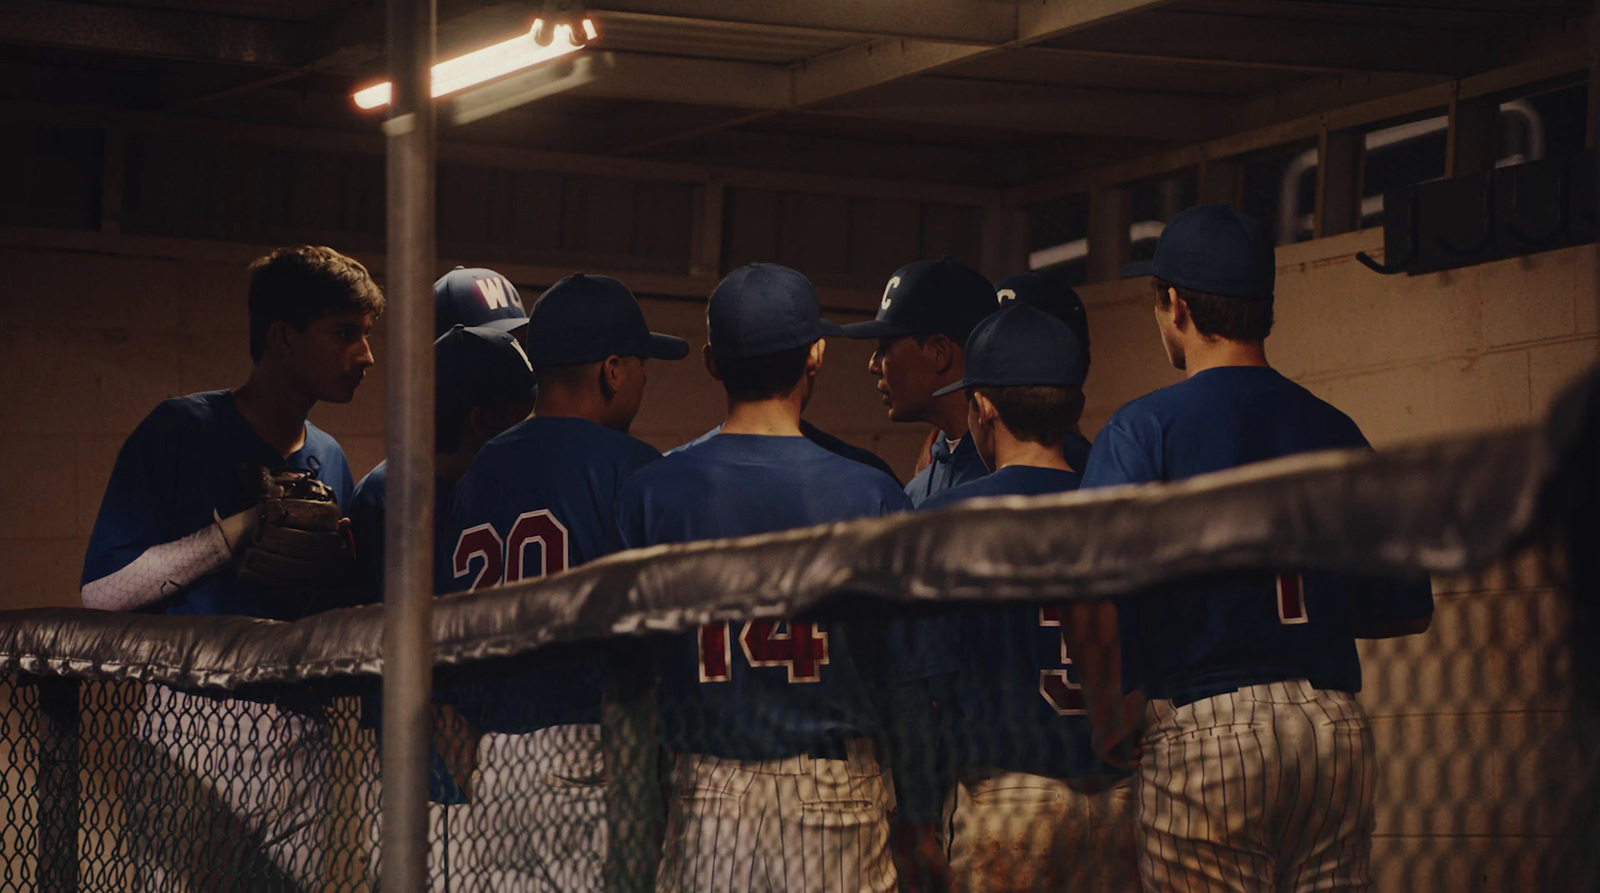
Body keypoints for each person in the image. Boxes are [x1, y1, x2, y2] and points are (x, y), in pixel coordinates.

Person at [1078, 203, 1434, 893]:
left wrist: (1105, 717)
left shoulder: (1142, 428)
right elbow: (1408, 606)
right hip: (1332, 729)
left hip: (1209, 728)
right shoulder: (1335, 427)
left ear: (1175, 303)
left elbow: (1087, 587)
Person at [80, 244, 383, 891]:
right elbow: (100, 594)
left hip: (302, 731)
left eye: (365, 335)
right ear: (284, 337)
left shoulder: (330, 456)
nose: (365, 355)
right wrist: (235, 533)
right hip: (194, 724)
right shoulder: (181, 427)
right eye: (344, 334)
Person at [615, 262, 910, 893]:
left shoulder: (652, 492)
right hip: (837, 782)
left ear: (713, 362)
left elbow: (628, 677)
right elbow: (905, 675)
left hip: (709, 786)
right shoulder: (871, 490)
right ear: (817, 355)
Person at [441, 272, 688, 891]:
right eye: (639, 364)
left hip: (493, 758)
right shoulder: (632, 467)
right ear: (612, 370)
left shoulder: (482, 465)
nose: (642, 378)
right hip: (592, 753)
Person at [915, 303, 1138, 893]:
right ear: (1073, 407)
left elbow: (927, 690)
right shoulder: (1120, 513)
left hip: (1005, 795)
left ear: (983, 407)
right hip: (1121, 793)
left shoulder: (946, 518)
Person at [347, 265, 532, 601]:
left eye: (513, 337)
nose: (509, 351)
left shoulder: (518, 472)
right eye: (488, 338)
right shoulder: (387, 494)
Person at [840, 257, 998, 507]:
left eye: (885, 346)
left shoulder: (1011, 481)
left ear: (939, 352)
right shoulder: (916, 490)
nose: (873, 365)